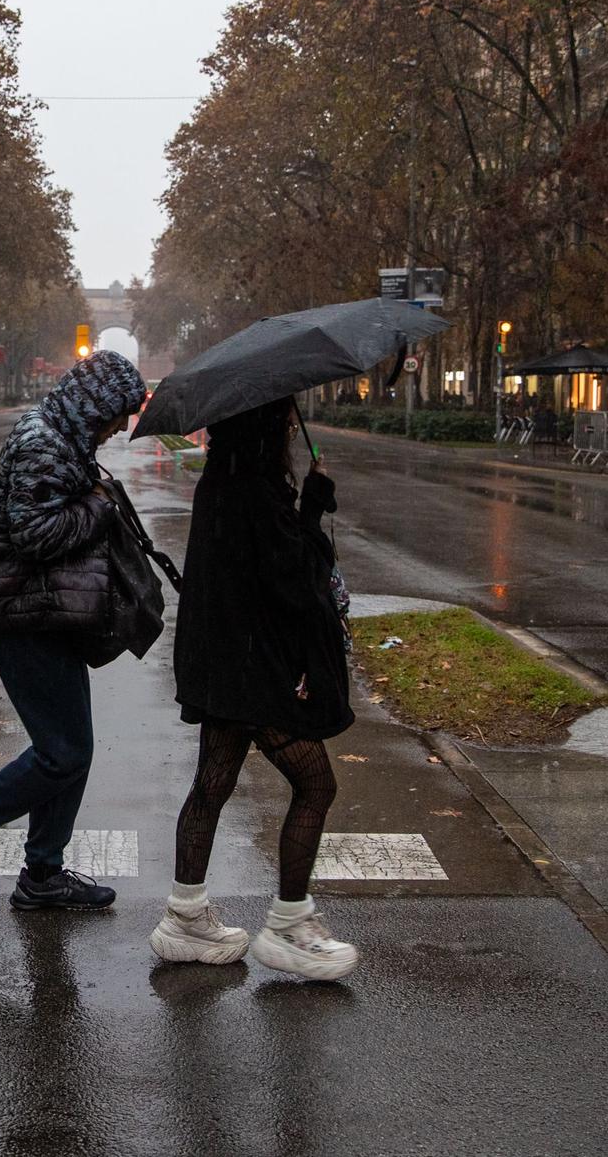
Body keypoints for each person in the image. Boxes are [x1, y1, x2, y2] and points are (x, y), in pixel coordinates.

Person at [0, 349, 149, 911]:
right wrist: (97, 506)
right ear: (95, 405)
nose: (120, 428)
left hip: (42, 612)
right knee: (62, 753)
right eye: (117, 414)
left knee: (72, 748)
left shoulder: (63, 438)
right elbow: (36, 535)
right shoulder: (43, 443)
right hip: (19, 616)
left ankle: (42, 875)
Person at [149, 396, 358, 980]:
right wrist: (313, 511)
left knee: (212, 783)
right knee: (315, 784)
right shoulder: (259, 492)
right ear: (265, 426)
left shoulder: (224, 480)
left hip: (220, 663)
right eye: (285, 417)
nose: (293, 424)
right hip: (252, 668)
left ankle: (184, 916)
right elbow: (294, 583)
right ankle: (290, 924)